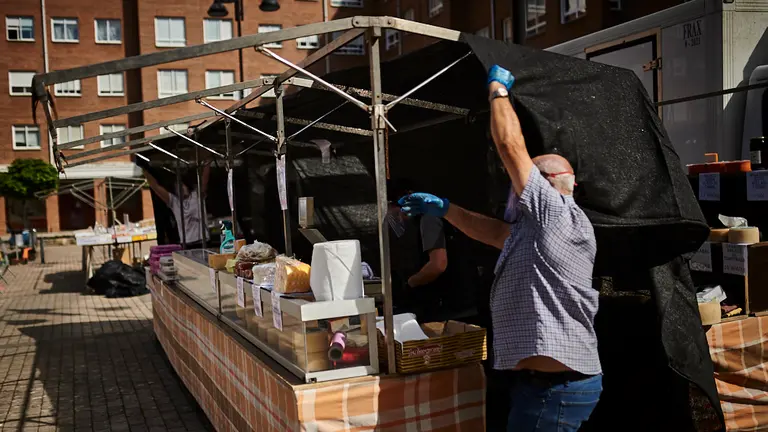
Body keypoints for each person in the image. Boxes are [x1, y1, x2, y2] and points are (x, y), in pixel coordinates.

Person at [399, 65, 602, 431]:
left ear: (548, 184)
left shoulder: (556, 214)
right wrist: (446, 209)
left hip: (556, 389)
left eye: (518, 184)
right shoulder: (538, 231)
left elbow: (510, 147)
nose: (513, 191)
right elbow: (491, 232)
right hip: (541, 385)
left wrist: (497, 91)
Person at [385, 180, 449, 323]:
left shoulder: (428, 219)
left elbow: (438, 264)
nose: (395, 217)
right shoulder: (413, 224)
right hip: (424, 300)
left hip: (437, 305)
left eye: (394, 208)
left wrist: (410, 284)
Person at [143, 163, 210, 248]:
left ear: (187, 185)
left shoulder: (196, 195)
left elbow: (204, 180)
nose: (180, 188)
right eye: (177, 187)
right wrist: (145, 171)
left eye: (182, 185)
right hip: (187, 243)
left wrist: (207, 163)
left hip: (203, 241)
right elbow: (156, 187)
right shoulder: (174, 202)